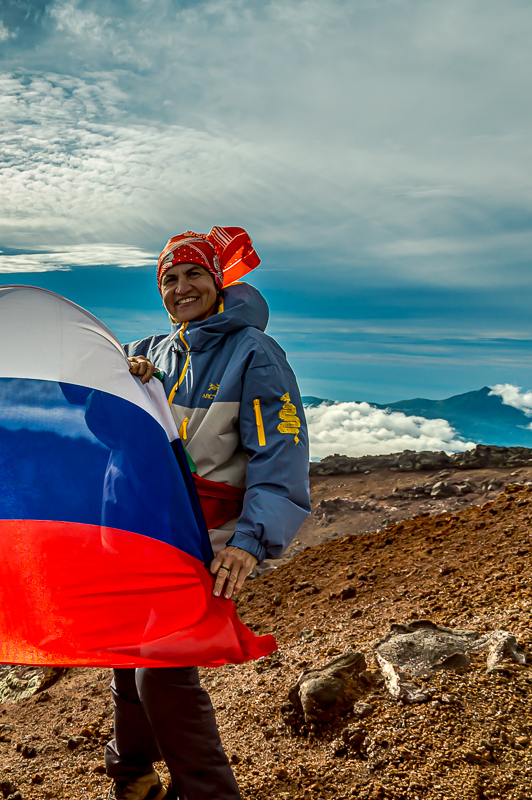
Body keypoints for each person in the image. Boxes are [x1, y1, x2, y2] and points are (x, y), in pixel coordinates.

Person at [107, 227, 311, 800]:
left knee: (163, 666)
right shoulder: (150, 352)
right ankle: (135, 779)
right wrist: (127, 385)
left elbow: (281, 451)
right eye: (169, 279)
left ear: (219, 280)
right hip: (145, 528)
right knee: (129, 654)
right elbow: (108, 431)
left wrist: (251, 541)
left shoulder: (255, 353)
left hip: (209, 536)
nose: (181, 287)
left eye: (194, 273)